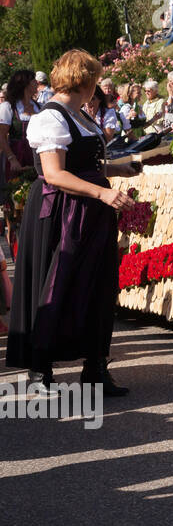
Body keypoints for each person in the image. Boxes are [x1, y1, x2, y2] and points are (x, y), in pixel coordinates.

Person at [5, 49, 140, 396]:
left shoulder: (79, 115)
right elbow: (53, 173)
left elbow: (83, 163)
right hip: (61, 212)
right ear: (86, 79)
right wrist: (103, 193)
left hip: (89, 212)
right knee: (56, 285)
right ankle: (41, 372)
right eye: (95, 77)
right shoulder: (50, 117)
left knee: (97, 285)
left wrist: (116, 169)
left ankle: (94, 368)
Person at [0, 69, 39, 182]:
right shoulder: (8, 107)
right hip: (17, 156)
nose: (36, 83)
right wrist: (12, 159)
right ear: (25, 84)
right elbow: (1, 136)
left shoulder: (39, 106)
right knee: (17, 191)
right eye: (33, 80)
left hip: (36, 156)